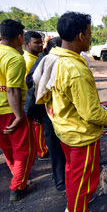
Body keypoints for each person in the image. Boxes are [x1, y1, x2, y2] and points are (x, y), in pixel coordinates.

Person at [35, 12, 107, 212]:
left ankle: (74, 205)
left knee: (72, 172)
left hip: (64, 128)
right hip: (80, 134)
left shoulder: (55, 57)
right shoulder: (75, 69)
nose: (90, 37)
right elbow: (92, 114)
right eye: (89, 33)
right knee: (83, 176)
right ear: (79, 36)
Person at [0, 19, 36, 201]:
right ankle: (18, 187)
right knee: (25, 150)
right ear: (19, 37)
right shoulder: (14, 58)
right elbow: (12, 89)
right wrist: (19, 115)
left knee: (7, 147)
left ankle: (17, 176)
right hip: (10, 110)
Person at [25, 37, 66, 191]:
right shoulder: (47, 62)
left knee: (57, 148)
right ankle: (62, 182)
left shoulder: (43, 60)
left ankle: (61, 178)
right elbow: (32, 84)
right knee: (56, 147)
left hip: (48, 112)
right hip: (50, 113)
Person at [23, 31, 48, 160]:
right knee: (38, 124)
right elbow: (31, 85)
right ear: (27, 44)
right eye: (36, 43)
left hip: (35, 97)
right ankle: (41, 151)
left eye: (41, 42)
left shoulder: (35, 58)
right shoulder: (28, 61)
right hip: (34, 98)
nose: (40, 45)